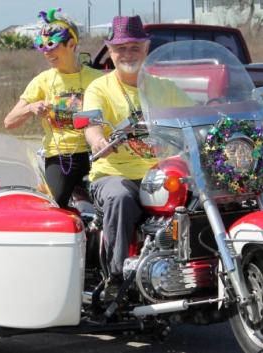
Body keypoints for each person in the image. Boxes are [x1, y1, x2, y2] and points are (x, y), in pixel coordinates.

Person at [82, 15, 194, 298]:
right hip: (115, 172)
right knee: (119, 196)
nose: (127, 54)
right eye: (121, 48)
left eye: (134, 47)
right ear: (110, 51)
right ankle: (117, 280)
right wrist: (97, 139)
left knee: (202, 195)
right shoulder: (99, 88)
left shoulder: (163, 87)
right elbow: (91, 122)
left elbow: (193, 114)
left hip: (160, 172)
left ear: (146, 49)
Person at [4, 8, 102, 208]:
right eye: (41, 46)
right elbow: (9, 122)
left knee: (113, 201)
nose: (47, 52)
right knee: (53, 206)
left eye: (52, 45)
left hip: (98, 152)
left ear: (72, 44)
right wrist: (30, 108)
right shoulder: (43, 81)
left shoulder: (98, 79)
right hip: (61, 157)